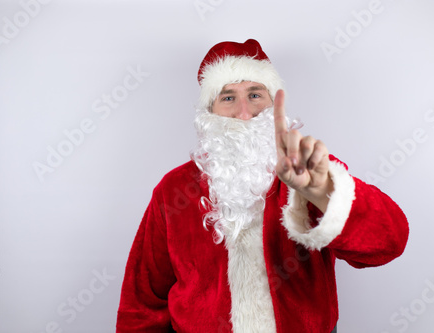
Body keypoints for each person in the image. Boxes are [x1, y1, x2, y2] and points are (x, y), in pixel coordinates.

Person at [116, 39, 409, 333]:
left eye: (255, 94)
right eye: (228, 98)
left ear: (273, 103)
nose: (245, 113)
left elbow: (388, 243)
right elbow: (143, 301)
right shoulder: (174, 189)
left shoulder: (310, 169)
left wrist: (324, 194)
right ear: (210, 111)